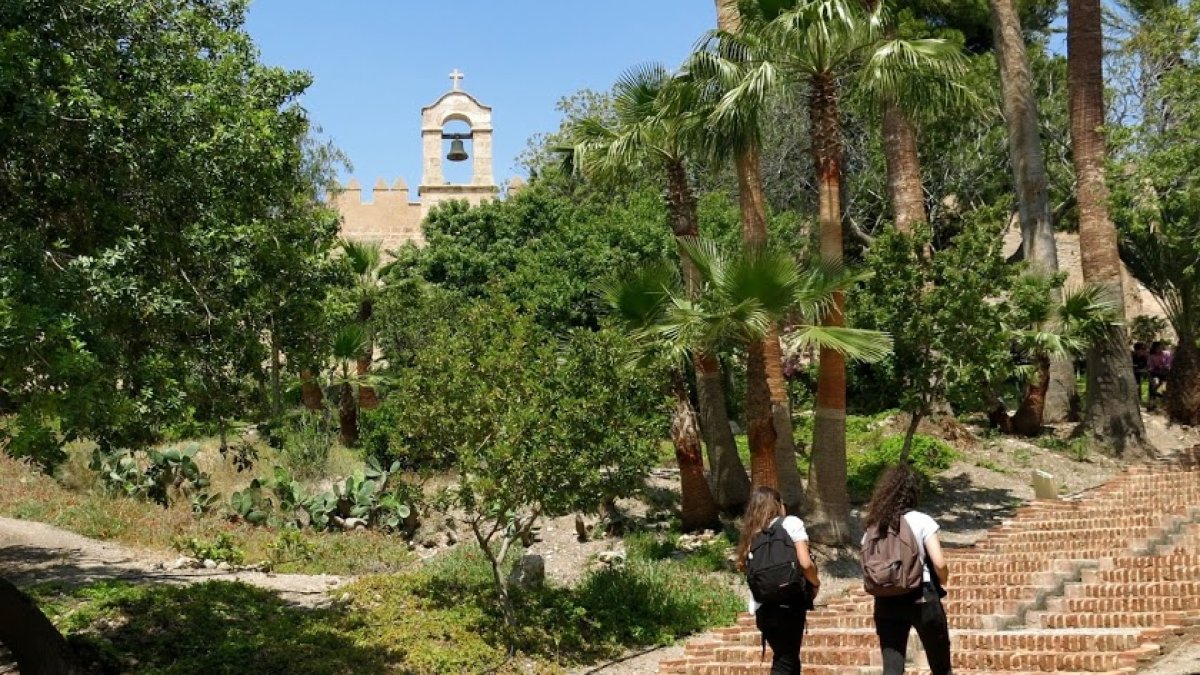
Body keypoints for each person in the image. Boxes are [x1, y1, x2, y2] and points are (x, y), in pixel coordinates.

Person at [863, 464, 952, 675]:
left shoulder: (873, 526)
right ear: (913, 492)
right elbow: (939, 562)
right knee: (940, 664)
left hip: (885, 598)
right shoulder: (922, 520)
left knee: (892, 668)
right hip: (921, 595)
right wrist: (944, 578)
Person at [735, 486, 821, 675]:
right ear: (778, 505)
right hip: (789, 604)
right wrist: (815, 583)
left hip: (764, 607)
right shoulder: (791, 523)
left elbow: (742, 566)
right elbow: (806, 564)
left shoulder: (752, 533)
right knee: (786, 663)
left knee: (786, 659)